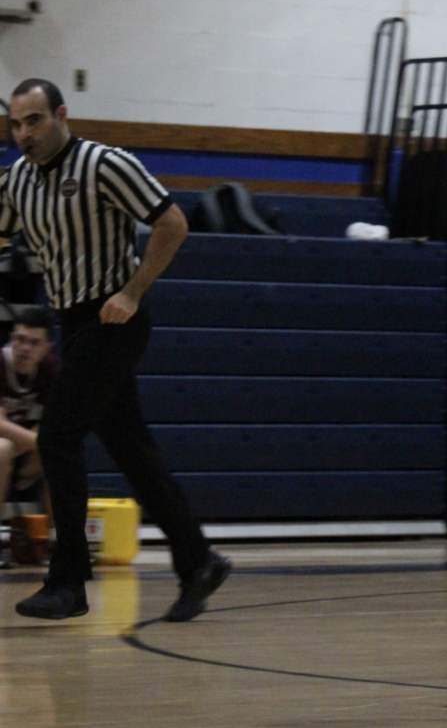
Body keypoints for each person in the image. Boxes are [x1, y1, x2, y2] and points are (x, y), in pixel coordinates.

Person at [0, 78, 230, 621]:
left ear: (60, 114)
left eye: (34, 120)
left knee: (56, 438)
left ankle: (70, 579)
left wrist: (133, 291)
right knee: (132, 451)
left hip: (114, 317)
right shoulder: (15, 184)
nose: (24, 133)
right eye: (15, 124)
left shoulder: (105, 163)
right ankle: (199, 560)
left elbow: (172, 224)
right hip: (74, 321)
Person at [0, 306, 58, 568]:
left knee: (60, 452)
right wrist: (38, 443)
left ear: (46, 348)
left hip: (22, 455)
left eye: (34, 343)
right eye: (20, 340)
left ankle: (63, 543)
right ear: (12, 338)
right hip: (7, 451)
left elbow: (51, 425)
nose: (24, 348)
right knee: (1, 449)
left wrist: (41, 443)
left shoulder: (51, 369)